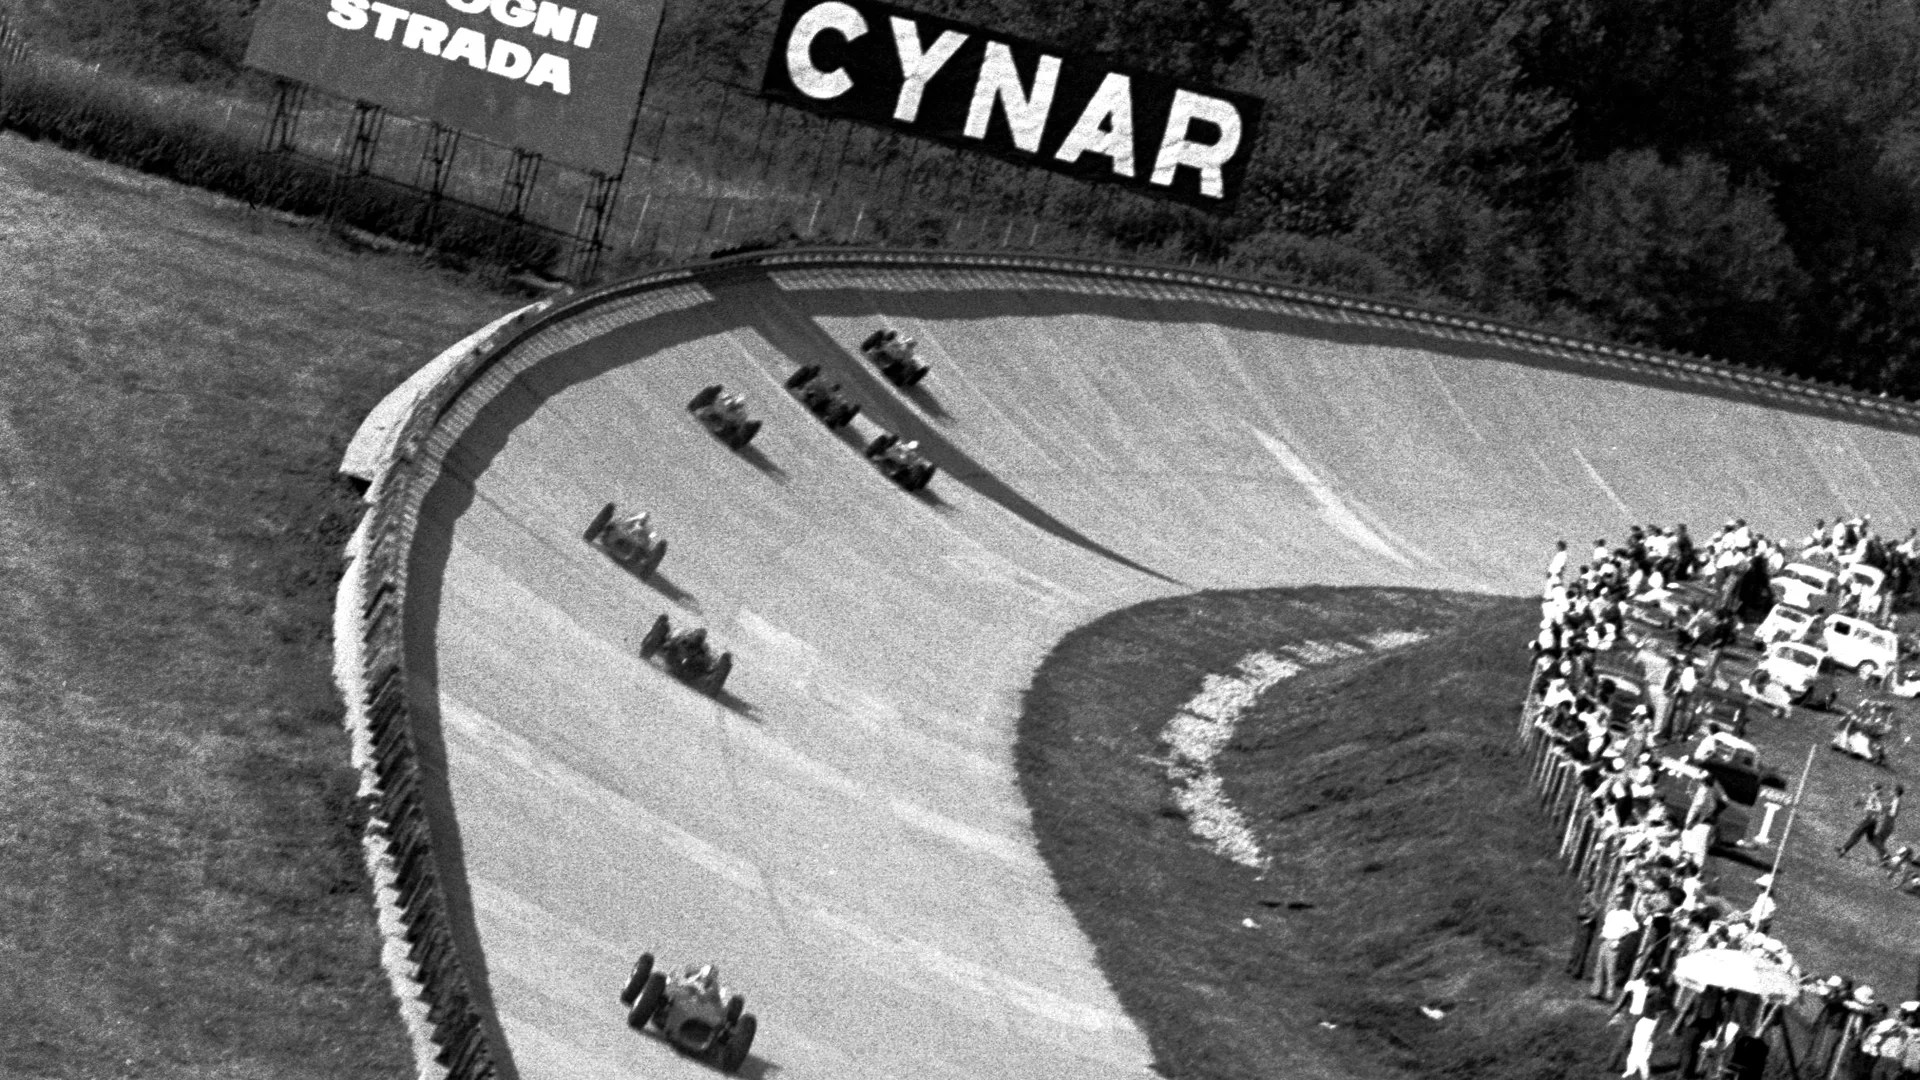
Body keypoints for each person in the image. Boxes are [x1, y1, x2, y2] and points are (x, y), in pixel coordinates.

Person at [1841, 783, 1891, 860]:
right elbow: (1871, 804)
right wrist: (1860, 803)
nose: (1870, 787)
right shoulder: (1874, 797)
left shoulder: (1874, 796)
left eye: (1872, 786)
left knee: (1856, 834)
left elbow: (1878, 809)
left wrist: (1869, 809)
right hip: (1873, 822)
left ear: (1875, 788)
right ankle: (1884, 854)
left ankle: (1843, 850)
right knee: (1871, 838)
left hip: (1868, 820)